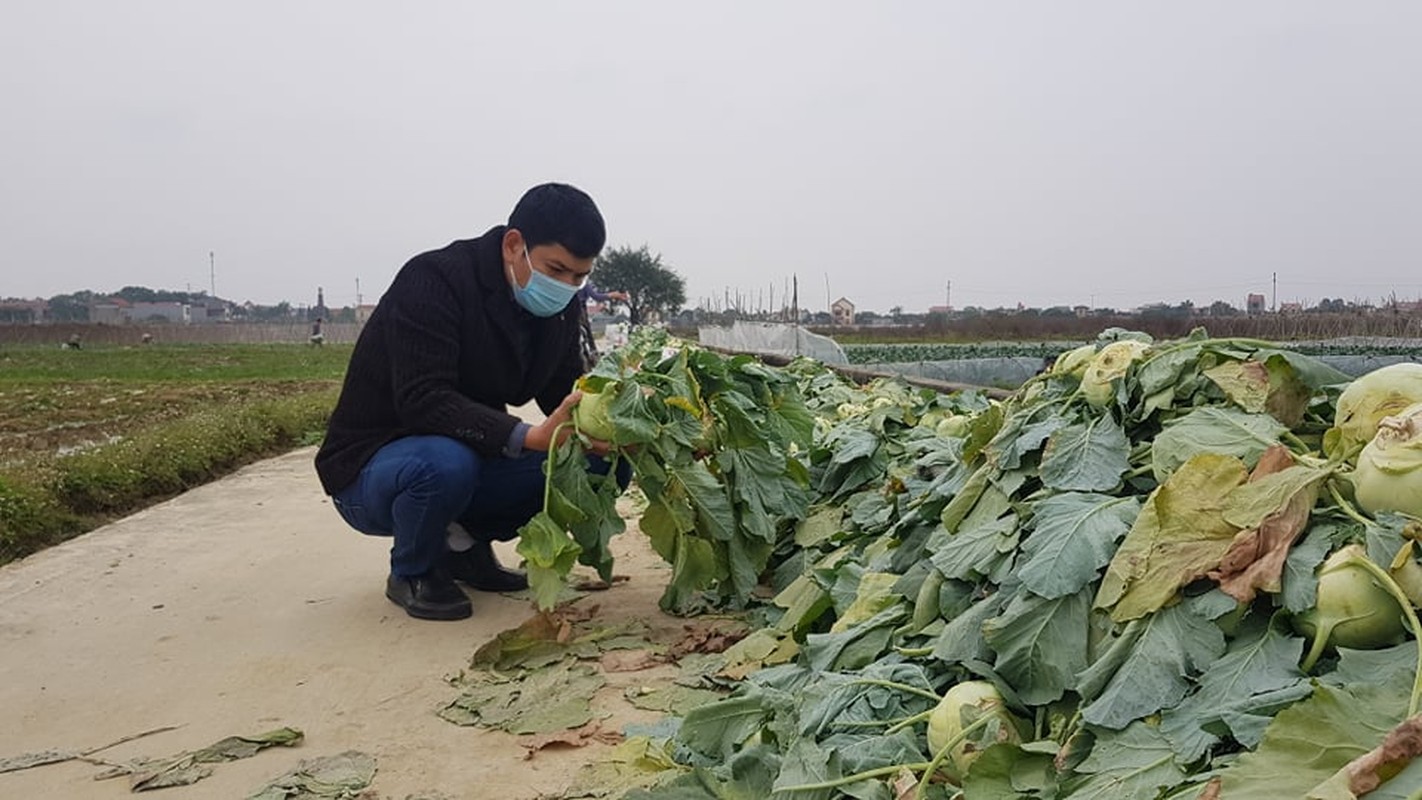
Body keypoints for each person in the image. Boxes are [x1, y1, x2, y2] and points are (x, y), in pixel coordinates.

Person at [314, 183, 628, 620]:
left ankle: (463, 547)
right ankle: (413, 571)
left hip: (464, 457)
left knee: (597, 462)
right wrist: (528, 435)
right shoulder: (433, 280)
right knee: (445, 462)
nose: (565, 286)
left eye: (579, 277)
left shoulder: (559, 308)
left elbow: (563, 390)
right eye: (556, 270)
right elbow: (423, 399)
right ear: (514, 245)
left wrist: (620, 423)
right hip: (375, 468)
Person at [576, 282, 629, 370]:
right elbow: (596, 297)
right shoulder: (583, 283)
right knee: (588, 335)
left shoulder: (565, 280)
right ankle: (592, 355)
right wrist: (612, 295)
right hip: (580, 312)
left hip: (567, 312)